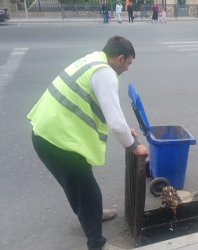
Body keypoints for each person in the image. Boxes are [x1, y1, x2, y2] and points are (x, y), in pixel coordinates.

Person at [27, 36, 149, 250]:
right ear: (120, 58)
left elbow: (104, 107)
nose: (127, 68)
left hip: (45, 134)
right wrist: (133, 146)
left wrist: (126, 131)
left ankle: (90, 215)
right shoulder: (105, 74)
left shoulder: (93, 60)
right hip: (58, 142)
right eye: (128, 63)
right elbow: (116, 124)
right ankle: (97, 244)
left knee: (77, 187)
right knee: (89, 192)